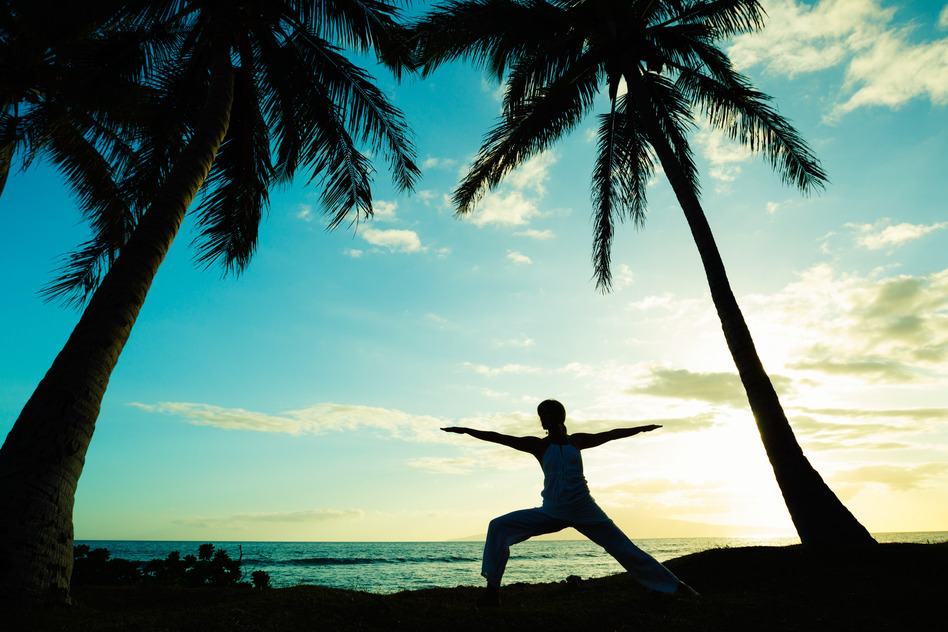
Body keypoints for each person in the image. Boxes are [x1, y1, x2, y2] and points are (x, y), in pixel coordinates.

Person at [441, 399, 698, 605]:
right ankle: (492, 592)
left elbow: (611, 434)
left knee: (625, 549)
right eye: (541, 415)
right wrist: (466, 431)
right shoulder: (537, 446)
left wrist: (640, 429)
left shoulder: (578, 441)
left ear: (560, 417)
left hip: (585, 510)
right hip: (551, 511)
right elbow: (498, 437)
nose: (544, 419)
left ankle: (676, 587)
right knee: (498, 526)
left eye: (547, 414)